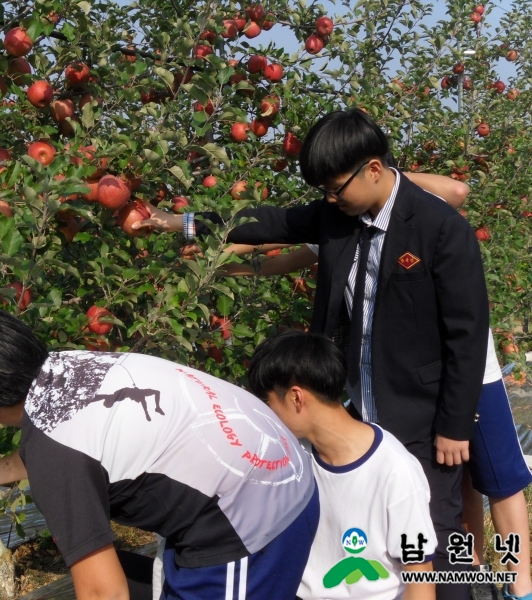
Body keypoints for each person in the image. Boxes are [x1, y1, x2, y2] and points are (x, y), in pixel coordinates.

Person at [135, 109, 490, 600]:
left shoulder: (438, 228)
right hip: (354, 404)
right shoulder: (336, 218)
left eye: (336, 186)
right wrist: (180, 222)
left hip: (422, 415)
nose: (329, 198)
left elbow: (467, 334)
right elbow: (265, 222)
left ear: (373, 168)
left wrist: (453, 425)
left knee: (430, 536)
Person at [222, 178, 532, 600]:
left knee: (498, 478)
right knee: (450, 488)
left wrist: (387, 171)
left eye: (338, 180)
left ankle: (519, 588)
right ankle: (468, 573)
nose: (333, 194)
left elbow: (457, 192)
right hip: (402, 382)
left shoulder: (414, 212)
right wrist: (215, 259)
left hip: (472, 374)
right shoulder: (344, 223)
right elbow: (279, 241)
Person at [0, 304, 319, 600]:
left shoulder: (54, 453)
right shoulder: (69, 367)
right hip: (282, 466)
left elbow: (105, 592)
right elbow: (64, 445)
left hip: (256, 523)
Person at [248, 330, 436, 600]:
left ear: (296, 397)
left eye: (267, 403)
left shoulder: (395, 472)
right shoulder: (293, 454)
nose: (265, 416)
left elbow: (421, 579)